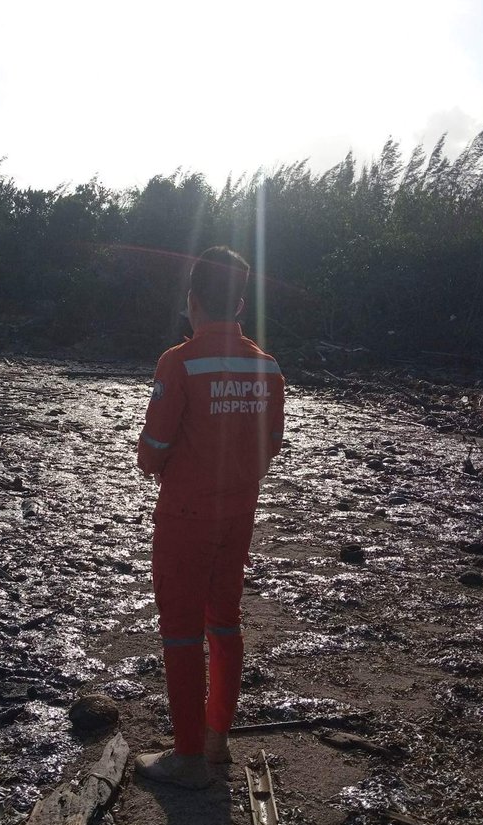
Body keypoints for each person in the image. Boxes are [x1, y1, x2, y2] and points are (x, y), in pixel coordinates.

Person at [134, 246, 286, 789]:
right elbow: (272, 444)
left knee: (179, 630)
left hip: (184, 513)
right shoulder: (267, 367)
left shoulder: (179, 362)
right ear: (241, 303)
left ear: (192, 301)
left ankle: (187, 755)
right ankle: (218, 738)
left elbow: (152, 447)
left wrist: (158, 461)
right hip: (238, 513)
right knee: (224, 620)